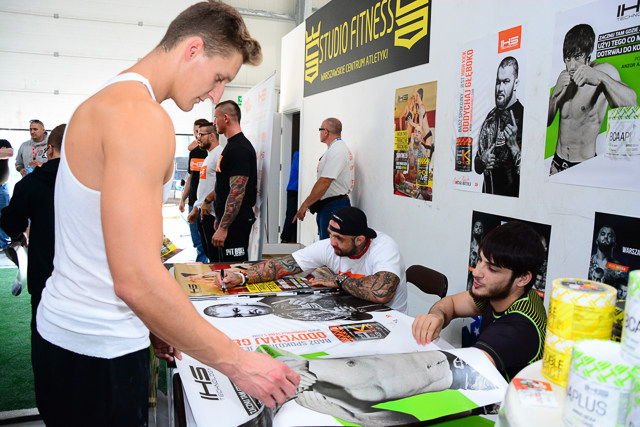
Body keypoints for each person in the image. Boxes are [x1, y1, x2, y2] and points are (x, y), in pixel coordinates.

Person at [33, 3, 299, 426]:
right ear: (192, 50)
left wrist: (158, 323)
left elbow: (104, 243)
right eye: (219, 78)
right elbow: (135, 280)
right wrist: (239, 363)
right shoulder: (142, 117)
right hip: (99, 351)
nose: (216, 95)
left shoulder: (105, 100)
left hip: (64, 338)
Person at [412, 221, 547, 381]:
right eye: (480, 260)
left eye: (492, 269)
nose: (476, 272)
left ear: (523, 278)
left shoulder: (518, 329)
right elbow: (452, 304)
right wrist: (437, 316)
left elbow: (463, 375)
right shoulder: (508, 291)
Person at [216, 207, 408, 313]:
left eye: (338, 238)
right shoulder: (330, 246)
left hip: (389, 320)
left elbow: (382, 292)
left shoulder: (384, 248)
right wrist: (241, 277)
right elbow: (281, 265)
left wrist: (339, 280)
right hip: (353, 313)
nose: (332, 242)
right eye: (330, 234)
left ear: (359, 240)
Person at [283, 350, 496, 427]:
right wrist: (347, 416)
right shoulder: (318, 404)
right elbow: (407, 419)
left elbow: (284, 358)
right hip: (462, 381)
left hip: (450, 356)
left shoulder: (296, 367)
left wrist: (297, 367)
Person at [548, 24, 638, 175]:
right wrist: (553, 96)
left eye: (577, 57)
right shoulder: (564, 78)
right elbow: (547, 122)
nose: (572, 66)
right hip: (556, 165)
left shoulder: (604, 71)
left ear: (588, 55)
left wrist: (602, 79)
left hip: (583, 167)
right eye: (568, 58)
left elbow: (632, 106)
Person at [1, 124, 65, 330]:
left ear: (50, 149)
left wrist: (18, 237)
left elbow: (11, 222)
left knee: (44, 330)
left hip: (44, 272)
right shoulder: (99, 181)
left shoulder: (30, 183)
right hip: (90, 278)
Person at [211, 100, 257, 262]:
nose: (214, 123)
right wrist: (220, 218)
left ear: (226, 118)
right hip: (229, 221)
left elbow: (237, 192)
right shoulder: (231, 146)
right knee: (224, 268)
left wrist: (224, 226)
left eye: (215, 118)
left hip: (236, 223)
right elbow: (224, 186)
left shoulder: (239, 149)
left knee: (234, 269)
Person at [293, 118, 354, 240]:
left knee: (330, 246)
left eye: (320, 129)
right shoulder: (335, 149)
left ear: (325, 132)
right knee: (326, 245)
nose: (319, 132)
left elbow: (325, 181)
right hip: (331, 205)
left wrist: (305, 205)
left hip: (334, 207)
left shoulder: (337, 150)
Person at [474, 57, 523, 197]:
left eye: (506, 81)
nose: (500, 88)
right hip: (486, 201)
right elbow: (477, 167)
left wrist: (514, 147)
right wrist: (482, 160)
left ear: (515, 83)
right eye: (498, 82)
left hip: (511, 204)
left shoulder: (524, 116)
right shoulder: (491, 117)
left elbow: (532, 175)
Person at [204, 294, 391, 321]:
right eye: (238, 317)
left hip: (369, 303)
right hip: (370, 315)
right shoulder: (280, 318)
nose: (247, 313)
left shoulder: (275, 297)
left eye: (237, 310)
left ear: (238, 303)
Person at [188, 122, 223, 263]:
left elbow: (223, 184)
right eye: (197, 134)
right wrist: (196, 207)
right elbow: (205, 186)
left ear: (212, 136)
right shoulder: (209, 156)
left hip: (212, 214)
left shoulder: (219, 154)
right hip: (203, 212)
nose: (198, 138)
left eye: (201, 134)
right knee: (208, 255)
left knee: (215, 258)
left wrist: (208, 201)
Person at [179, 118, 210, 262]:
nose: (197, 135)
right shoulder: (194, 153)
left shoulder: (213, 153)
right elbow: (190, 178)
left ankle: (207, 268)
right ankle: (201, 266)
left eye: (199, 132)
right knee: (197, 242)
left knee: (207, 241)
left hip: (207, 204)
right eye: (195, 132)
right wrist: (182, 199)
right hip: (193, 202)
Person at [588, 225, 627, 299]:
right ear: (596, 241)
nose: (605, 237)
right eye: (603, 234)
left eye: (610, 236)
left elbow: (621, 294)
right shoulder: (588, 261)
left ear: (614, 244)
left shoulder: (619, 270)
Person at [280, 150, 299, 243]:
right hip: (294, 190)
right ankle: (285, 238)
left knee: (293, 215)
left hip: (295, 190)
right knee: (291, 215)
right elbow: (303, 169)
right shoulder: (298, 156)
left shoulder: (297, 155)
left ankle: (288, 238)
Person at [0, 138, 14, 250]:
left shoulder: (3, 142)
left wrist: (4, 152)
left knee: (4, 216)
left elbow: (9, 153)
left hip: (2, 188)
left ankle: (4, 244)